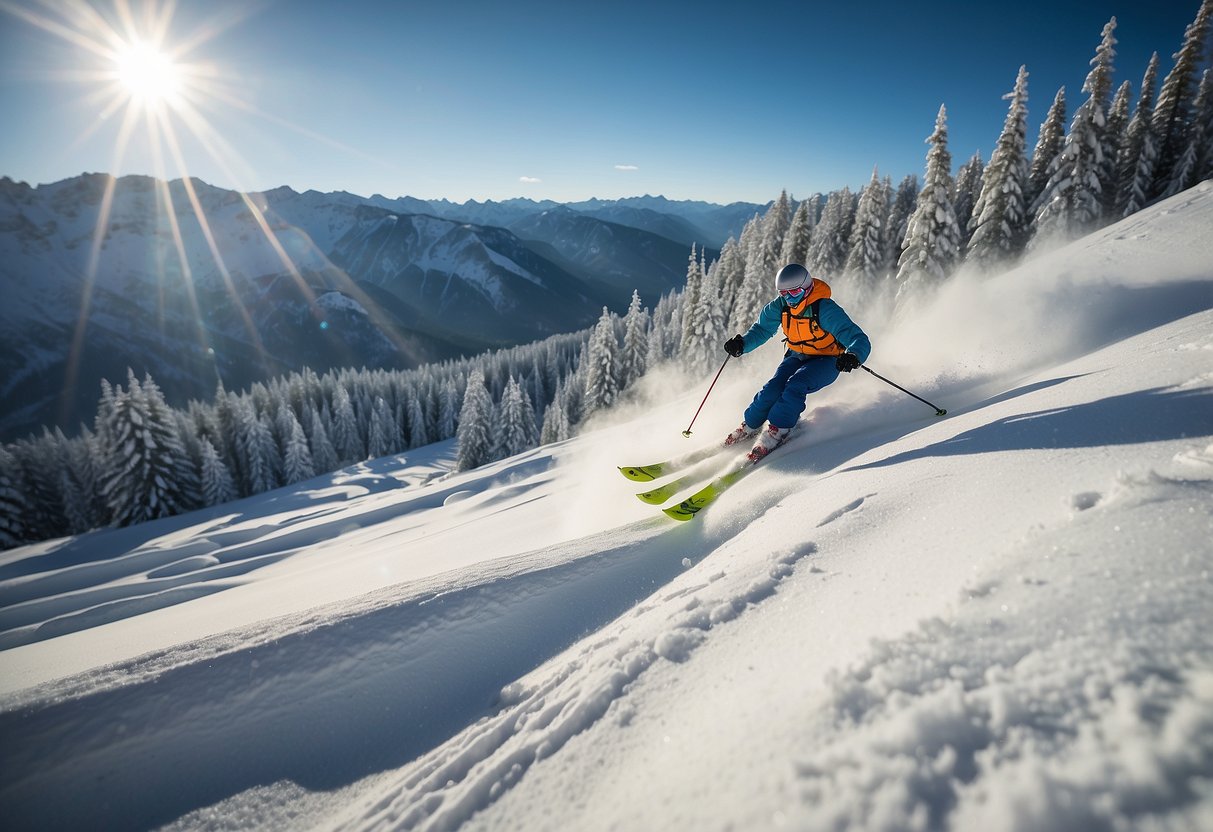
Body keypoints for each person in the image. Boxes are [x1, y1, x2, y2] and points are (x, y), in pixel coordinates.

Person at [722, 263, 871, 461]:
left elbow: (856, 337)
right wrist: (742, 344)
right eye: (784, 293)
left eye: (794, 292)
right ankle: (750, 425)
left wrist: (853, 355)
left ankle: (779, 429)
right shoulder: (780, 306)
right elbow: (762, 330)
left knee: (795, 385)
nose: (790, 298)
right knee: (772, 388)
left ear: (807, 287)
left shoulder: (824, 308)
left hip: (827, 359)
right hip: (796, 355)